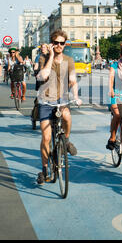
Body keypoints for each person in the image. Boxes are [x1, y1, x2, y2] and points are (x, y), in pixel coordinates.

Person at [36, 30, 82, 185]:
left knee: (67, 117)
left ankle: (66, 141)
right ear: (51, 44)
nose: (59, 46)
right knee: (46, 138)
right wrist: (50, 56)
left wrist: (75, 96)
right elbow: (43, 76)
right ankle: (44, 170)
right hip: (45, 101)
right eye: (56, 43)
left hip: (61, 100)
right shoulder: (43, 58)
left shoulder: (69, 60)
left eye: (62, 43)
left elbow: (73, 80)